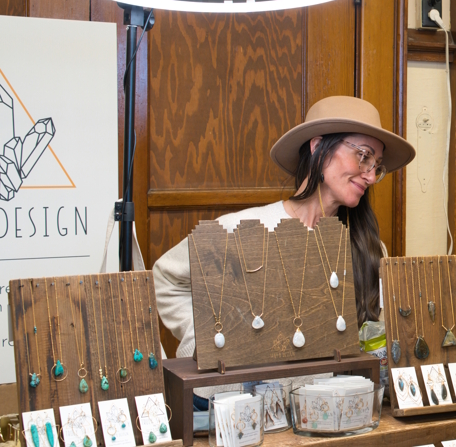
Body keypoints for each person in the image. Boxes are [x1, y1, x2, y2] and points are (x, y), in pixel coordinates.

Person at [153, 95, 415, 360]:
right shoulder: (240, 229)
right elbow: (166, 279)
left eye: (376, 165)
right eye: (363, 156)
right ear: (318, 147)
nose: (371, 176)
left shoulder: (369, 248)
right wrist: (208, 342)